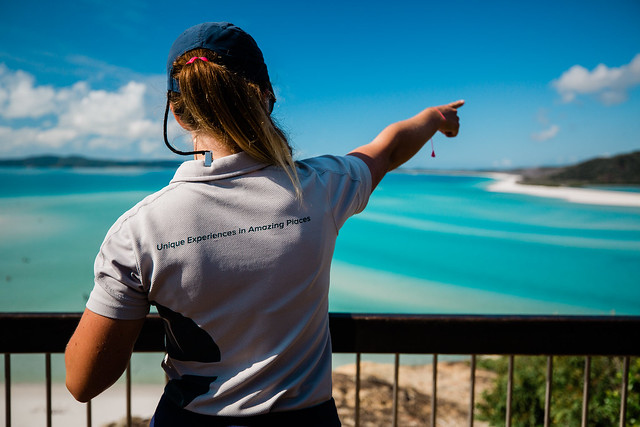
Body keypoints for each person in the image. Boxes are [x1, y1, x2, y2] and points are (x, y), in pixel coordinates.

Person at [65, 21, 463, 426]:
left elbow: (83, 382)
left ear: (180, 116)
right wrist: (435, 117)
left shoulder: (139, 230)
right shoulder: (323, 187)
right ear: (268, 97)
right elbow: (389, 148)